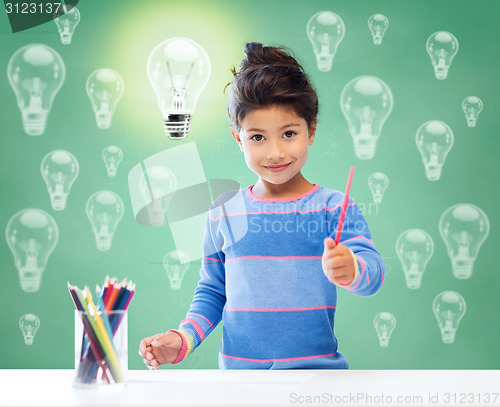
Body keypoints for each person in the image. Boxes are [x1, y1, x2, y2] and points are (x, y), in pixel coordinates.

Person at [139, 42, 385, 369]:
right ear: (237, 138)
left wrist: (353, 268)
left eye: (288, 133)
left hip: (316, 379)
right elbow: (213, 291)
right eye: (257, 137)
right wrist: (184, 338)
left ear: (310, 131)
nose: (275, 153)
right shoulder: (222, 211)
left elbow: (373, 275)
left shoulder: (333, 207)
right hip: (241, 384)